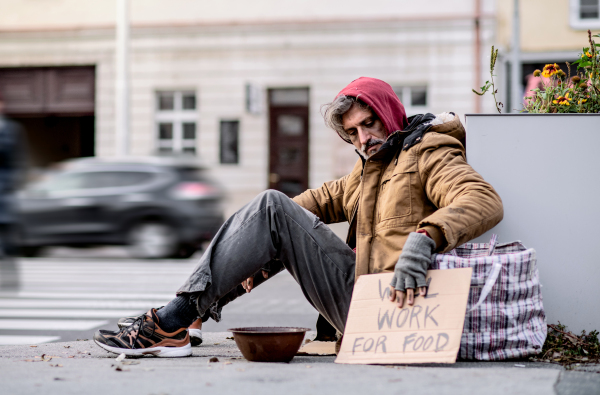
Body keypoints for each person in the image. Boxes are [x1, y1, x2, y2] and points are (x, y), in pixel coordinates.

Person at [93, 77, 503, 357]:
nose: (364, 138)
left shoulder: (429, 152)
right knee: (269, 215)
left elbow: (483, 199)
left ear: (390, 112)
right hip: (361, 299)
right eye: (353, 133)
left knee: (272, 208)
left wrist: (426, 236)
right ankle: (187, 315)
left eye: (369, 123)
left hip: (395, 304)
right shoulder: (369, 170)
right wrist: (256, 249)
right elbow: (304, 206)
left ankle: (172, 323)